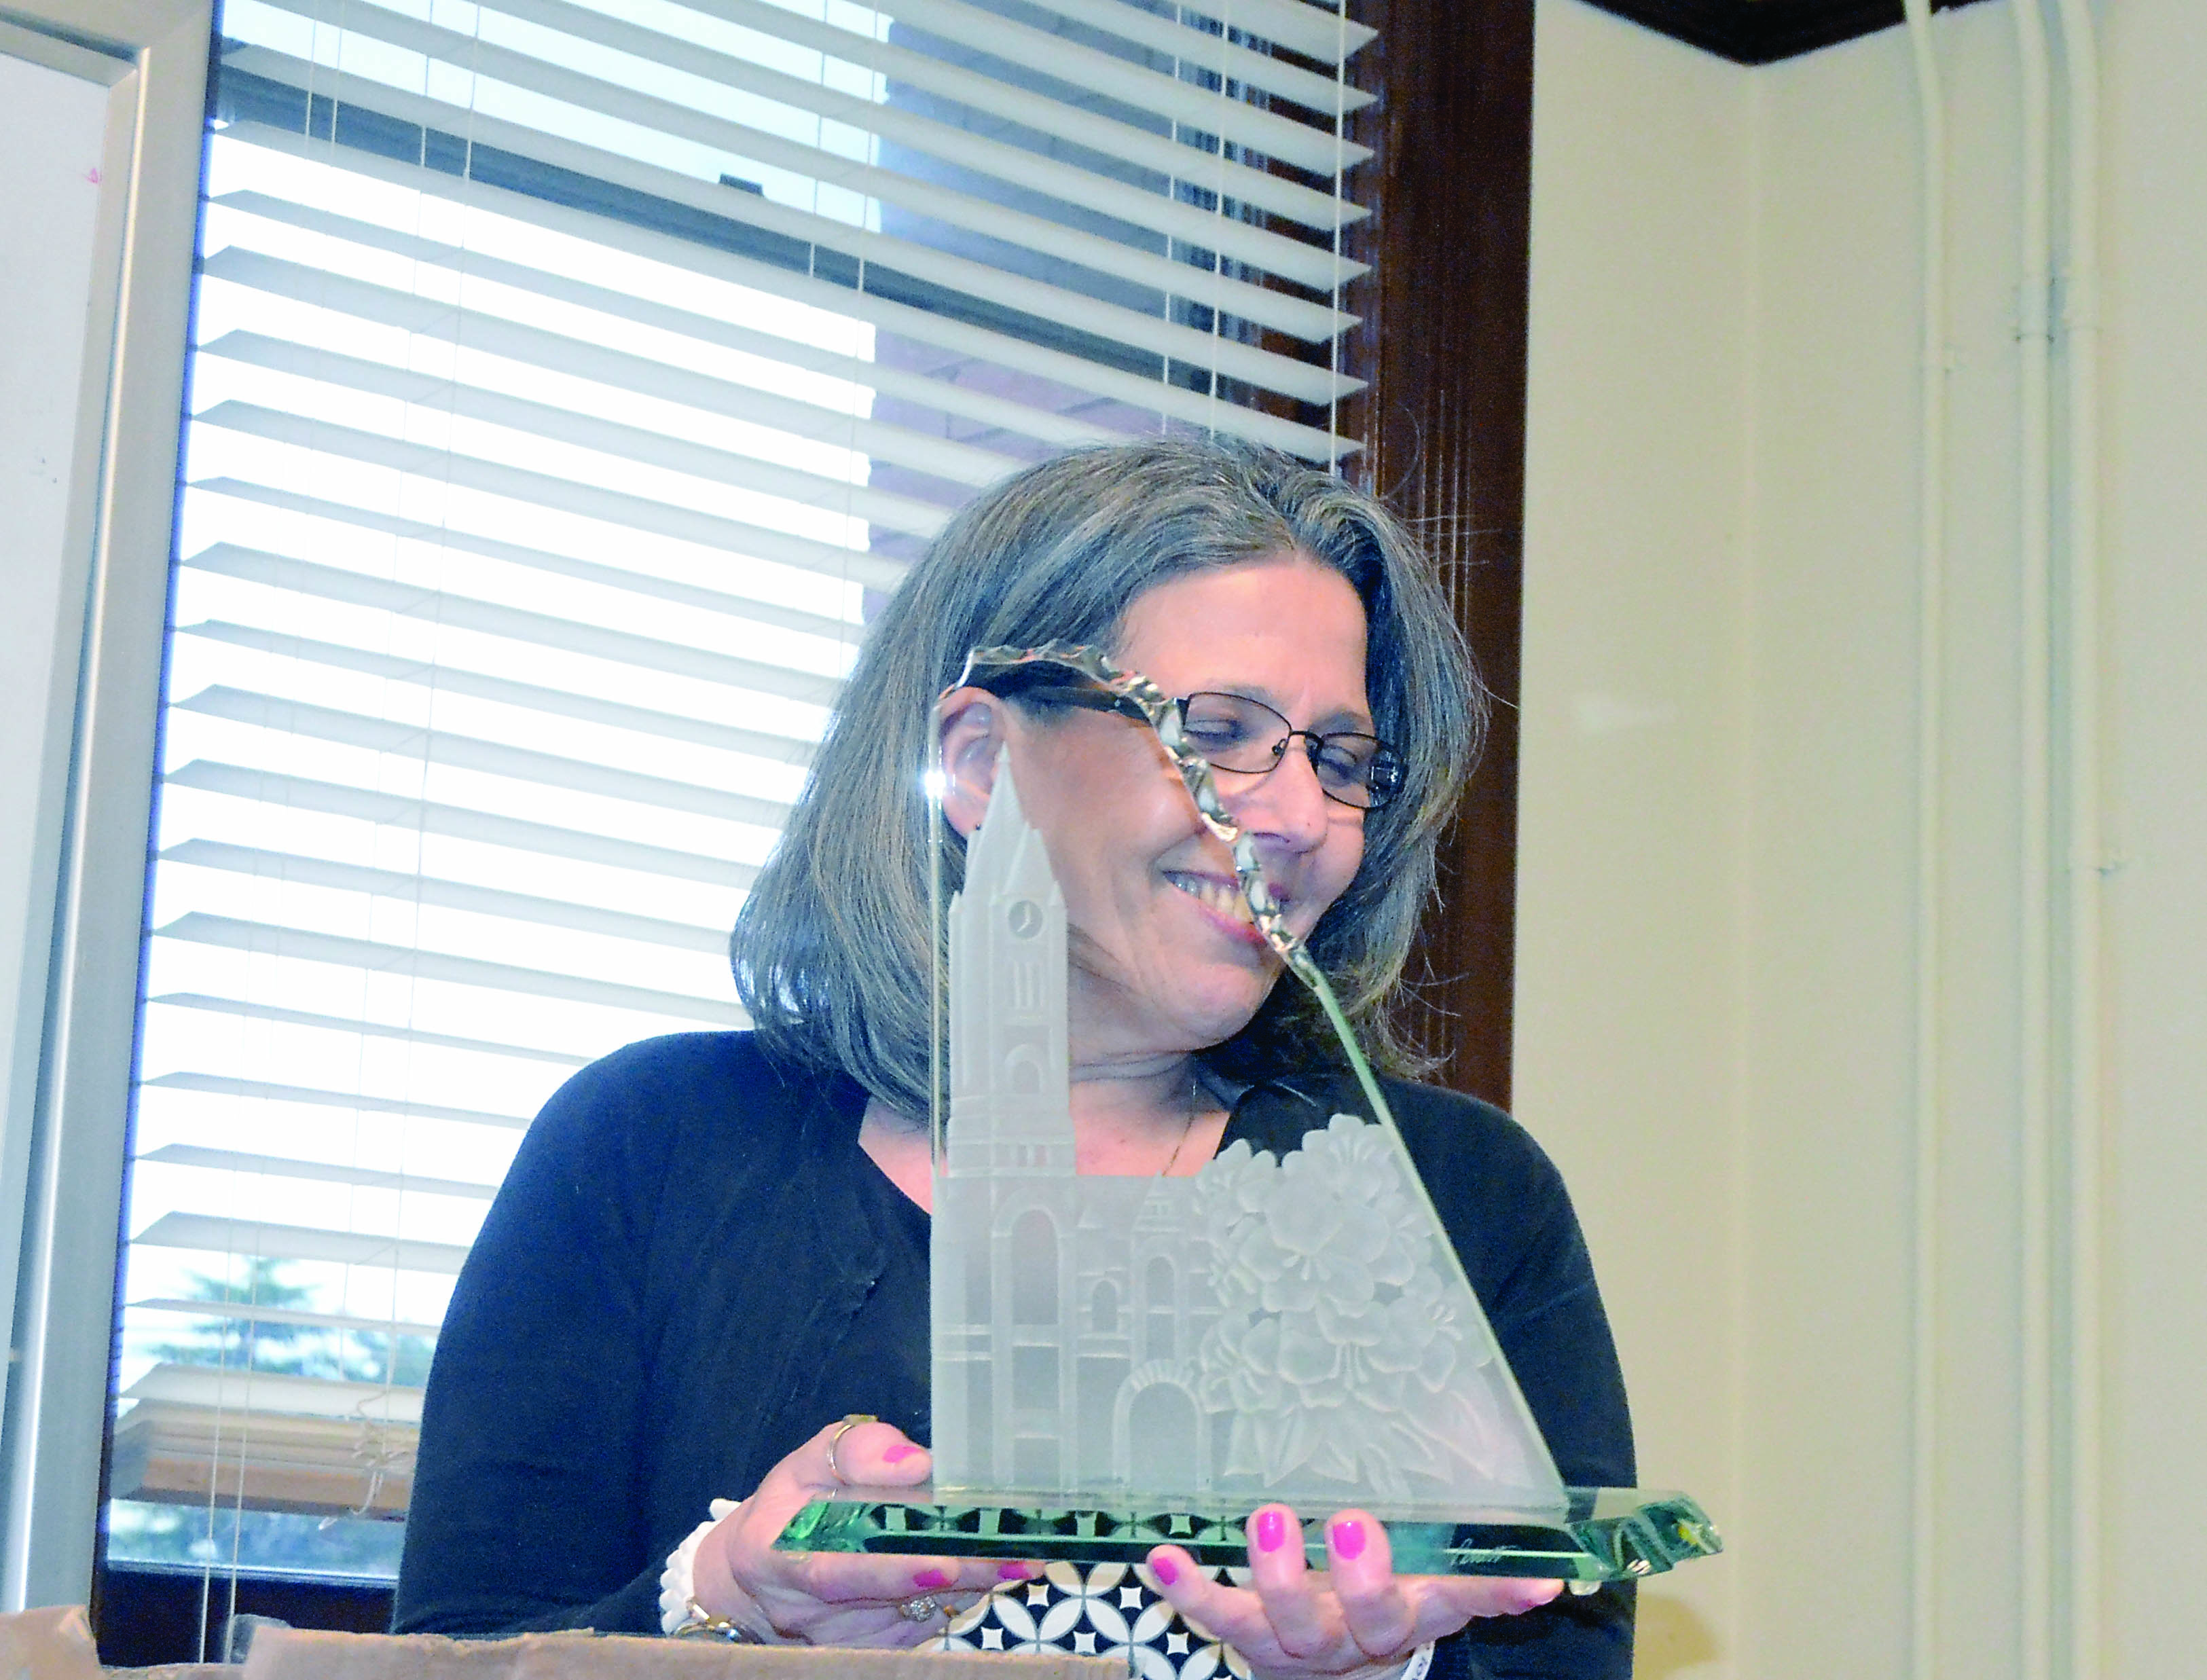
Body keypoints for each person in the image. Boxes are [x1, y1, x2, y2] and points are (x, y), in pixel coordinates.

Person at [394, 439, 1635, 1679]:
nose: (1301, 816)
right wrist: (718, 1602)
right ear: (984, 765)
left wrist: (1379, 1669)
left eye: (1341, 758)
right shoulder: (648, 1148)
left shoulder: (1463, 1203)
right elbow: (446, 1660)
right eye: (1219, 731)